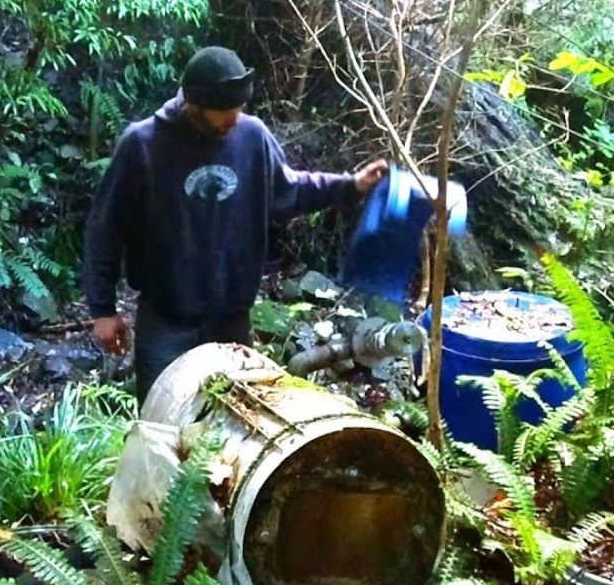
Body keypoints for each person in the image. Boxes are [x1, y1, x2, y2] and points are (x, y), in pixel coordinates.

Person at [82, 45, 388, 405]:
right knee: (160, 419)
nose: (233, 120)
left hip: (231, 315)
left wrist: (351, 186)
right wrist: (102, 309)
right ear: (194, 105)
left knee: (238, 417)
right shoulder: (143, 144)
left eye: (238, 110)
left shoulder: (251, 136)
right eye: (224, 113)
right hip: (166, 316)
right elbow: (105, 229)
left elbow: (290, 189)